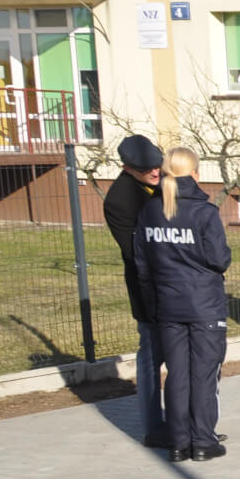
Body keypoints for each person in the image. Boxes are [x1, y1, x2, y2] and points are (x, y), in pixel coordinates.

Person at [133, 147, 230, 462]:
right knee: (203, 374)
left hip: (167, 306)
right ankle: (203, 441)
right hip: (204, 306)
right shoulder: (205, 212)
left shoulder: (149, 211)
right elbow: (219, 260)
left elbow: (142, 265)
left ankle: (177, 442)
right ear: (196, 173)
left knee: (177, 374)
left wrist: (153, 305)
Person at [102, 134, 170, 448]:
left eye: (157, 165)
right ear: (127, 168)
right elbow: (135, 252)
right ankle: (154, 429)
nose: (155, 172)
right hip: (149, 291)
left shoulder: (167, 181)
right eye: (147, 169)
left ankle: (189, 426)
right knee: (151, 358)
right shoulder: (118, 200)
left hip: (180, 288)